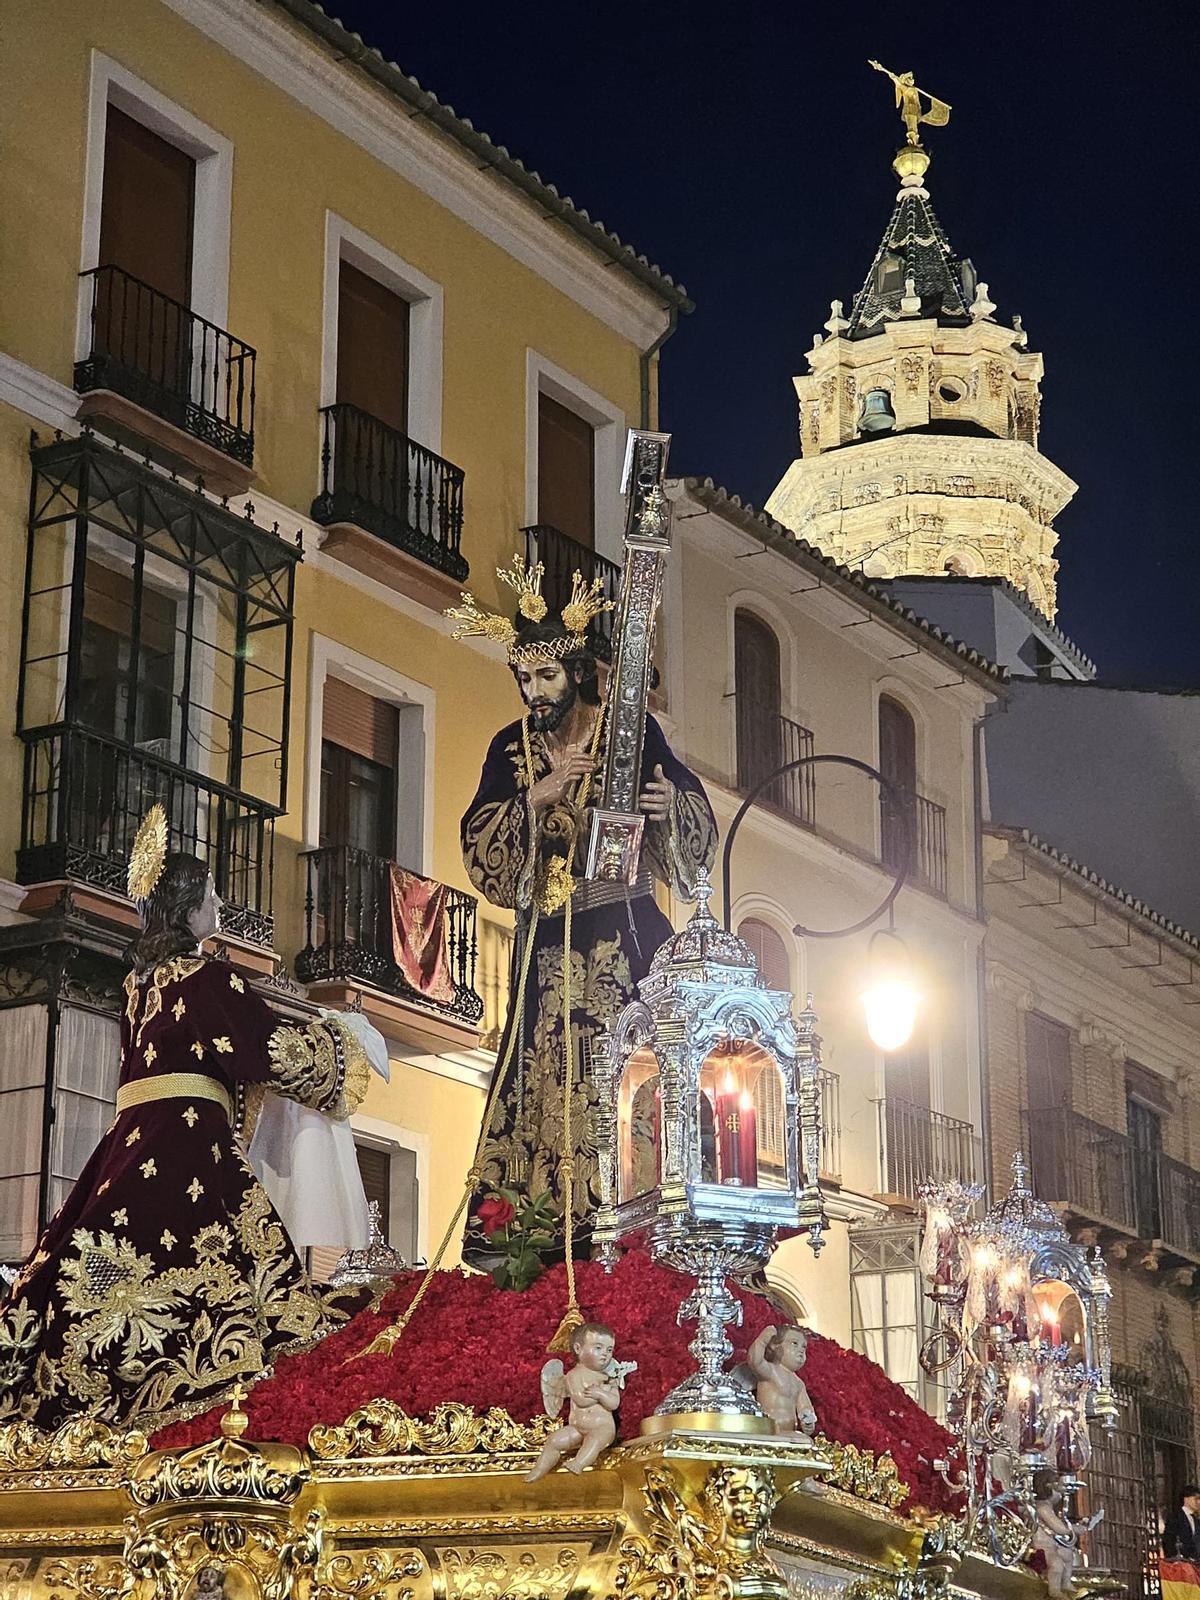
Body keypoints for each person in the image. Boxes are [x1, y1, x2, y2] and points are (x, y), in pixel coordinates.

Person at [0, 807, 378, 1432]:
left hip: (128, 1144)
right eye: (211, 897)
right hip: (188, 1143)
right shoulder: (208, 979)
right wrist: (343, 1042)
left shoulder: (137, 987)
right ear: (187, 908)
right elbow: (273, 1050)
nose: (221, 909)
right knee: (241, 1283)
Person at [450, 561, 716, 1264]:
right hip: (545, 946)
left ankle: (639, 1206)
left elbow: (692, 836)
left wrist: (667, 810)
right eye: (525, 681)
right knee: (542, 1073)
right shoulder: (511, 750)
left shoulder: (631, 733)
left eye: (547, 679)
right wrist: (536, 798)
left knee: (625, 1067)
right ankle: (540, 1225)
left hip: (623, 933)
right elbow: (481, 845)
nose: (535, 694)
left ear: (577, 672)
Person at [526, 1322, 621, 1480]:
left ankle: (578, 1464)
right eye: (598, 1348)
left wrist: (600, 1393)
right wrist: (600, 1393)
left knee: (594, 1441)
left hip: (602, 1428)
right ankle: (539, 1469)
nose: (605, 1354)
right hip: (577, 1428)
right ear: (578, 1349)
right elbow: (581, 1399)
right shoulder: (574, 1375)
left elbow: (613, 1403)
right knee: (554, 1440)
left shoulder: (609, 1376)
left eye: (609, 1350)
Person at [743, 1323, 818, 1437]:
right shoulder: (771, 1371)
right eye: (794, 1344)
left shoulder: (798, 1383)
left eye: (804, 1346)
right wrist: (763, 1340)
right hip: (769, 1429)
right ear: (775, 1346)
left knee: (805, 1440)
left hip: (790, 1432)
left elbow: (805, 1407)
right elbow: (754, 1361)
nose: (801, 1350)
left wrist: (808, 1421)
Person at [1163, 1485, 1200, 1561]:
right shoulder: (1175, 1517)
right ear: (1186, 1499)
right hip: (1180, 1563)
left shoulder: (1196, 1520)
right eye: (1196, 1499)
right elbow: (1168, 1540)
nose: (1198, 1502)